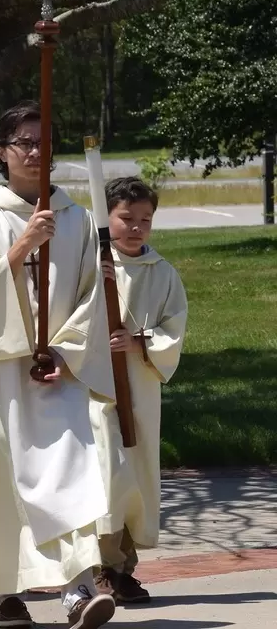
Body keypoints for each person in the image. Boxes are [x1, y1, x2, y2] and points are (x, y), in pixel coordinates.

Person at [0, 101, 117, 629]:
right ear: (1, 152)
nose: (35, 152)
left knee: (66, 475)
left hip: (55, 372)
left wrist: (66, 354)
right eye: (23, 142)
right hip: (2, 372)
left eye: (44, 142)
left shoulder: (77, 218)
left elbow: (93, 298)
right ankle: (3, 593)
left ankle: (77, 589)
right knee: (1, 480)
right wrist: (21, 246)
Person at [91, 177, 188, 604]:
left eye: (144, 220)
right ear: (106, 216)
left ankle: (122, 569)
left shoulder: (162, 273)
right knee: (106, 474)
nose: (135, 228)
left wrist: (139, 342)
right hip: (95, 387)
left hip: (142, 388)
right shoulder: (91, 264)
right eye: (125, 218)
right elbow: (66, 317)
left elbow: (174, 329)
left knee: (134, 473)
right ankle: (99, 565)